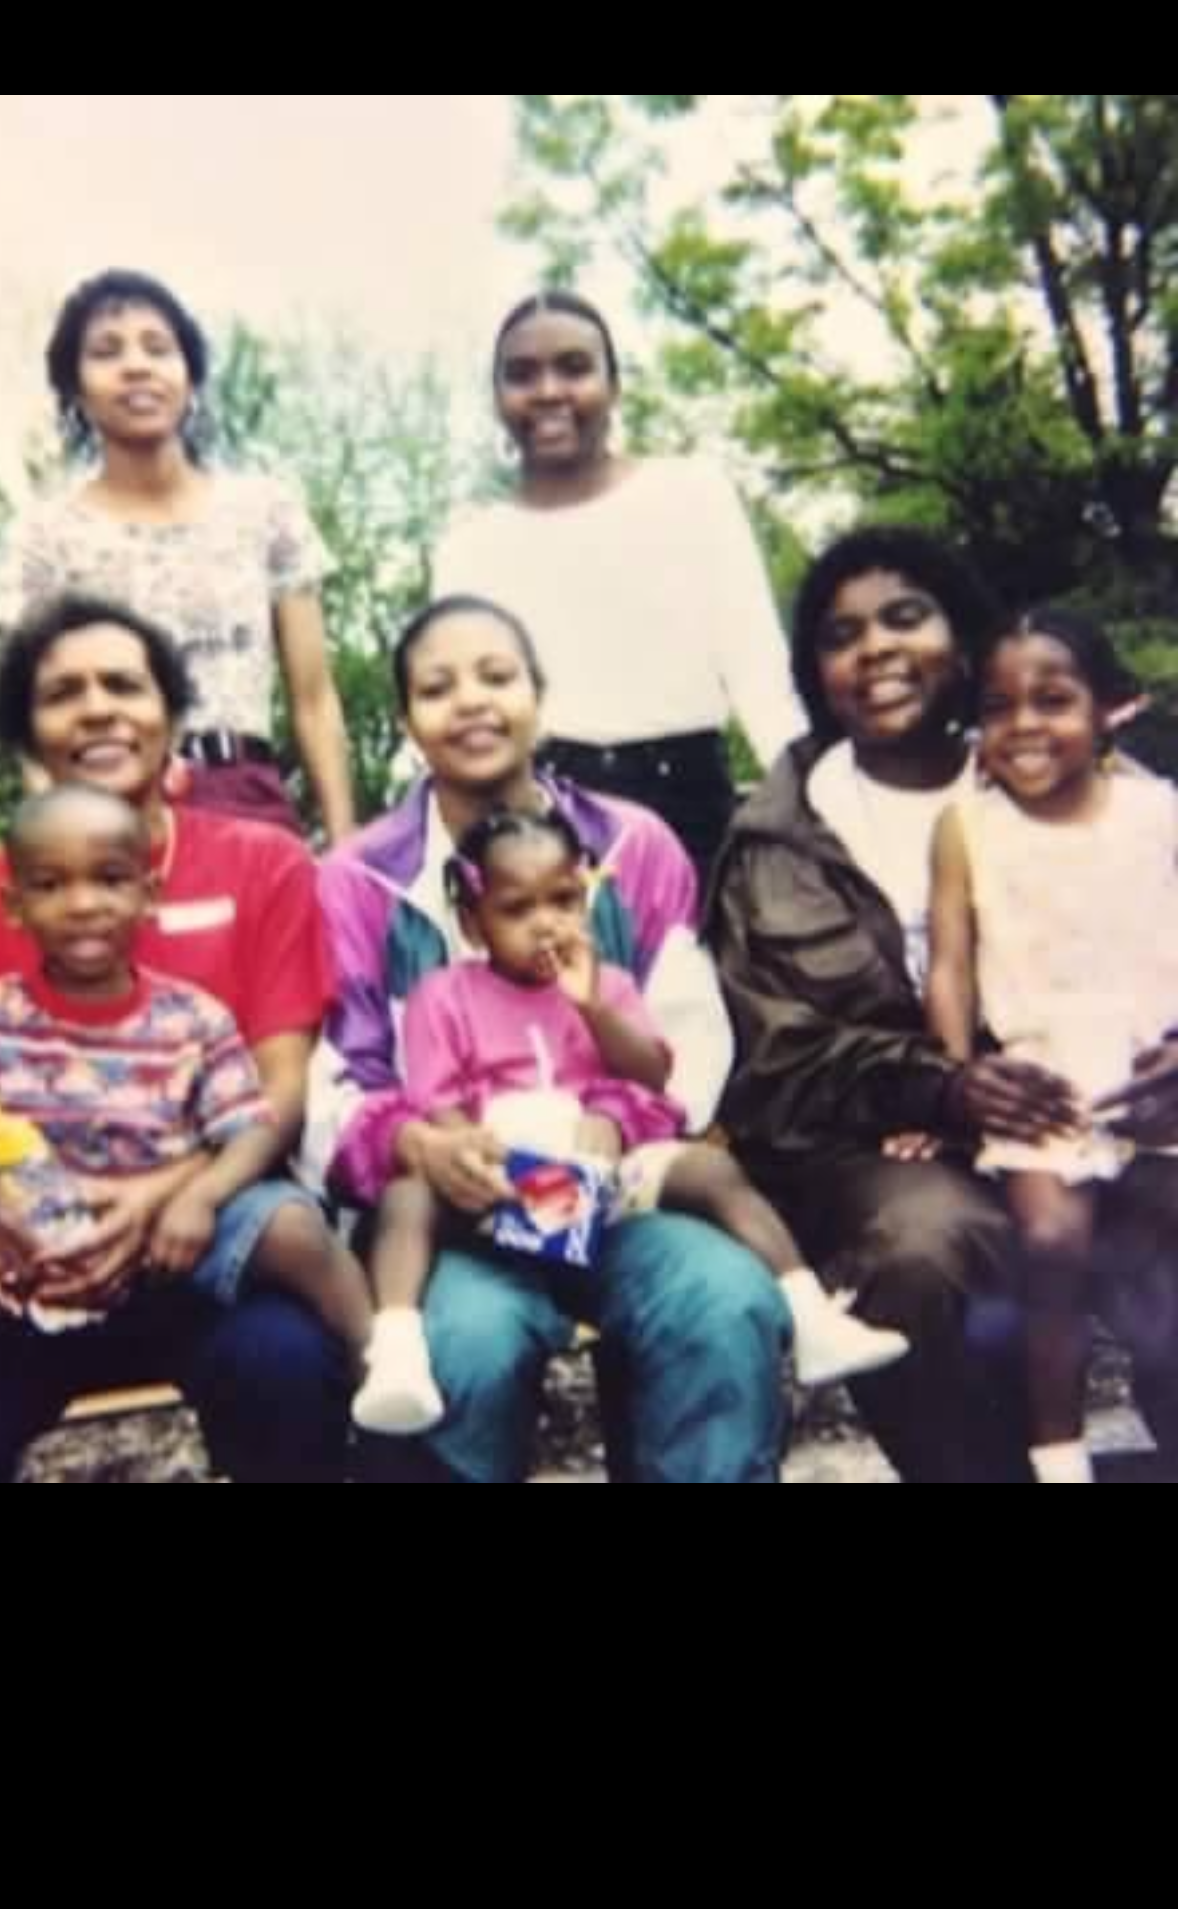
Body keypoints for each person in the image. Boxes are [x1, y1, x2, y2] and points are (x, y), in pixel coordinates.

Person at [301, 596, 792, 1482]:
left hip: (616, 1202)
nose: (473, 702)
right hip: (457, 1220)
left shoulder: (631, 847)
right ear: (407, 719)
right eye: (437, 687)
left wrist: (618, 1118)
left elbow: (691, 1038)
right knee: (465, 1347)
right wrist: (415, 1140)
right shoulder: (358, 879)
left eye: (498, 676)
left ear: (541, 696)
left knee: (722, 1304)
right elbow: (337, 1076)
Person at [0, 598, 348, 1483]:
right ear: (30, 731)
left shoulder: (263, 863)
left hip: (201, 1240)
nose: (98, 708)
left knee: (286, 1367)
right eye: (64, 693)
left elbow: (278, 1089)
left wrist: (151, 1197)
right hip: (34, 1271)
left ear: (171, 713)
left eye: (123, 685)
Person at [707, 526, 1089, 1485]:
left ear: (962, 644)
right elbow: (779, 1059)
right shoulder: (775, 842)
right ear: (816, 675)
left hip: (1085, 1110)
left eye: (905, 618)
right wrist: (945, 1093)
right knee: (921, 1257)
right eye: (842, 636)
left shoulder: (1064, 767)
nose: (875, 648)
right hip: (873, 1153)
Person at [353, 807, 907, 1431]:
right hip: (496, 1187)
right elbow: (437, 1103)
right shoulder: (444, 994)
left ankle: (809, 1312)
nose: (547, 926)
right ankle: (395, 1349)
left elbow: (649, 1077)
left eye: (564, 901)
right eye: (518, 909)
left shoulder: (607, 983)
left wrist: (592, 1008)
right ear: (471, 921)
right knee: (406, 1197)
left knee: (709, 1167)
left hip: (599, 1181)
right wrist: (476, 1158)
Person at [0, 785, 373, 1383]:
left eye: (110, 879)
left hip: (174, 1233)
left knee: (292, 1228)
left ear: (147, 896)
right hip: (36, 1241)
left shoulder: (194, 1018)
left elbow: (248, 1127)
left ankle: (380, 1375)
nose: (83, 903)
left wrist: (201, 1198)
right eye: (49, 885)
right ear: (13, 905)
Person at [926, 608, 1178, 1483]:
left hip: (1154, 1077)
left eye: (1053, 700)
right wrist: (954, 1076)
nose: (1024, 725)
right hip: (1042, 1085)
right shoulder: (968, 826)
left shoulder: (1156, 814)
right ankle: (1058, 1458)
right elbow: (951, 966)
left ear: (1111, 709)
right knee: (1051, 1245)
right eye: (998, 706)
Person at [432, 292, 800, 889]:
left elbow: (761, 677)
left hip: (692, 809)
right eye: (522, 375)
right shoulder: (468, 546)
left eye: (574, 368)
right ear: (498, 398)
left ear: (614, 383)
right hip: (539, 829)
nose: (549, 391)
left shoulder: (693, 496)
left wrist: (808, 811)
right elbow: (458, 722)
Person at [0, 268, 354, 839]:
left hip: (246, 800)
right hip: (102, 804)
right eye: (107, 352)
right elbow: (25, 719)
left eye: (158, 348)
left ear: (190, 376)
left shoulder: (265, 511)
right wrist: (63, 833)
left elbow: (313, 698)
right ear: (76, 388)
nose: (137, 365)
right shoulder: (41, 536)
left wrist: (345, 846)